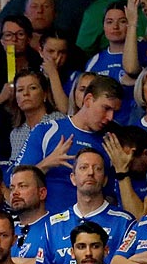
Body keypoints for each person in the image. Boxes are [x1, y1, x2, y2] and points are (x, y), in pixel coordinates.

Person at [17, 75, 125, 213]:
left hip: (90, 228)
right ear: (88, 100)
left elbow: (112, 196)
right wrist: (46, 164)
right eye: (106, 108)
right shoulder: (47, 131)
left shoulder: (111, 143)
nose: (110, 117)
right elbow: (16, 183)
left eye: (114, 112)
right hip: (49, 226)